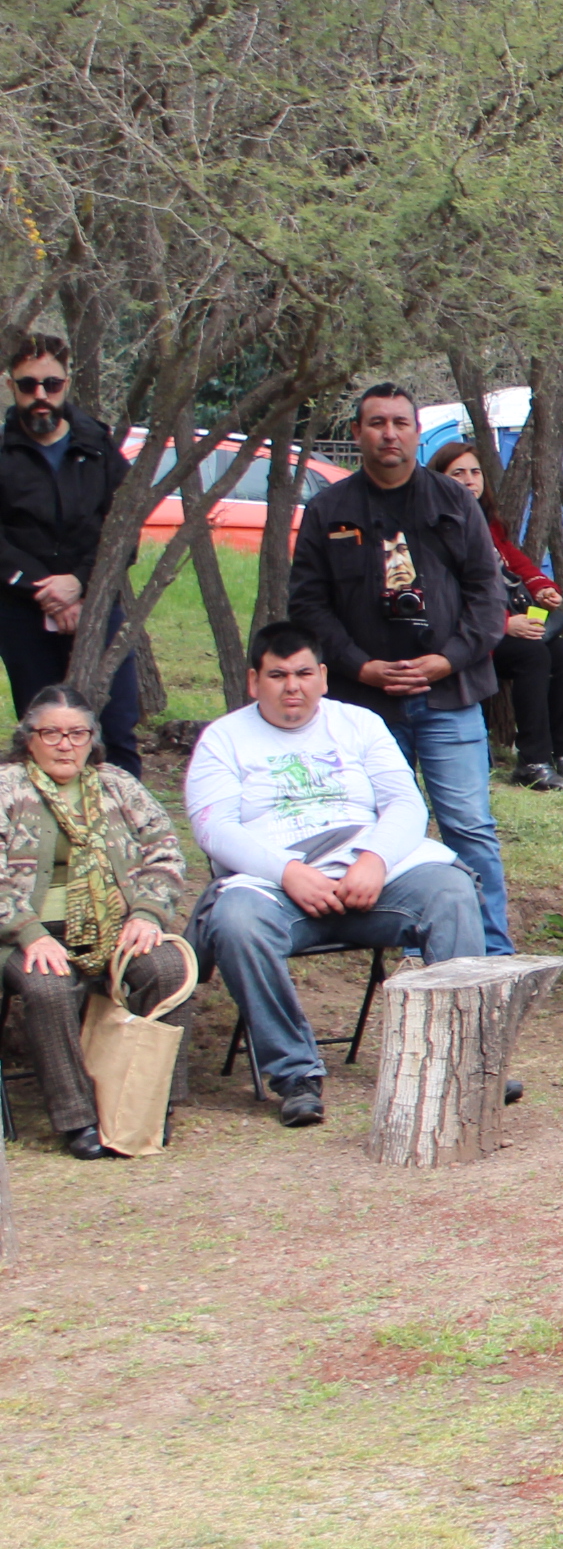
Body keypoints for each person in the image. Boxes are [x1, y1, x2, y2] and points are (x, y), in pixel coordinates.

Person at [188, 622, 488, 1127]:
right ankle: (295, 1073)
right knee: (235, 922)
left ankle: (470, 1060)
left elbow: (404, 803)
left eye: (304, 673)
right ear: (252, 680)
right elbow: (214, 829)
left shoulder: (359, 724)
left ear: (324, 677)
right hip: (276, 888)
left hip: (371, 878)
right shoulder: (223, 739)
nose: (293, 686)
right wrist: (288, 872)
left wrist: (375, 860)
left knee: (450, 890)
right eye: (278, 674)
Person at [287, 383, 512, 956]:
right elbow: (308, 607)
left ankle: (492, 952)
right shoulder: (328, 509)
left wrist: (447, 659)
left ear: (417, 431)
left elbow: (488, 596)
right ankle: (416, 946)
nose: (389, 433)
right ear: (358, 433)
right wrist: (361, 668)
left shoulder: (453, 501)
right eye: (376, 423)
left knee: (469, 826)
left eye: (400, 423)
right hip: (366, 704)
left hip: (450, 694)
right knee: (382, 827)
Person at [0, 685, 193, 1159]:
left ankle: (150, 1104)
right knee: (47, 985)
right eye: (52, 734)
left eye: (77, 734)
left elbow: (166, 852)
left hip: (116, 928)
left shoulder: (117, 786)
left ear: (93, 739)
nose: (65, 744)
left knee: (168, 970)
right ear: (29, 739)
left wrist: (147, 913)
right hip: (25, 932)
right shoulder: (7, 788)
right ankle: (78, 1119)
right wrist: (29, 933)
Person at [0, 334, 139, 774]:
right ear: (10, 385)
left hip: (96, 603)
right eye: (28, 385)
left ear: (68, 381)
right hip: (23, 609)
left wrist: (80, 583)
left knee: (115, 732)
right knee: (42, 735)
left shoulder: (98, 447)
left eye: (52, 384)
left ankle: (125, 834)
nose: (41, 396)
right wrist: (44, 589)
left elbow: (123, 529)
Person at [427, 441, 563, 793]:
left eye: (475, 472)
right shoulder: (435, 527)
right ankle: (531, 762)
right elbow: (446, 593)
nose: (469, 480)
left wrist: (541, 586)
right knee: (532, 654)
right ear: (439, 478)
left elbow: (515, 561)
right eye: (458, 473)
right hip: (463, 636)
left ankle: (562, 754)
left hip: (498, 625)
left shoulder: (487, 523)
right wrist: (503, 625)